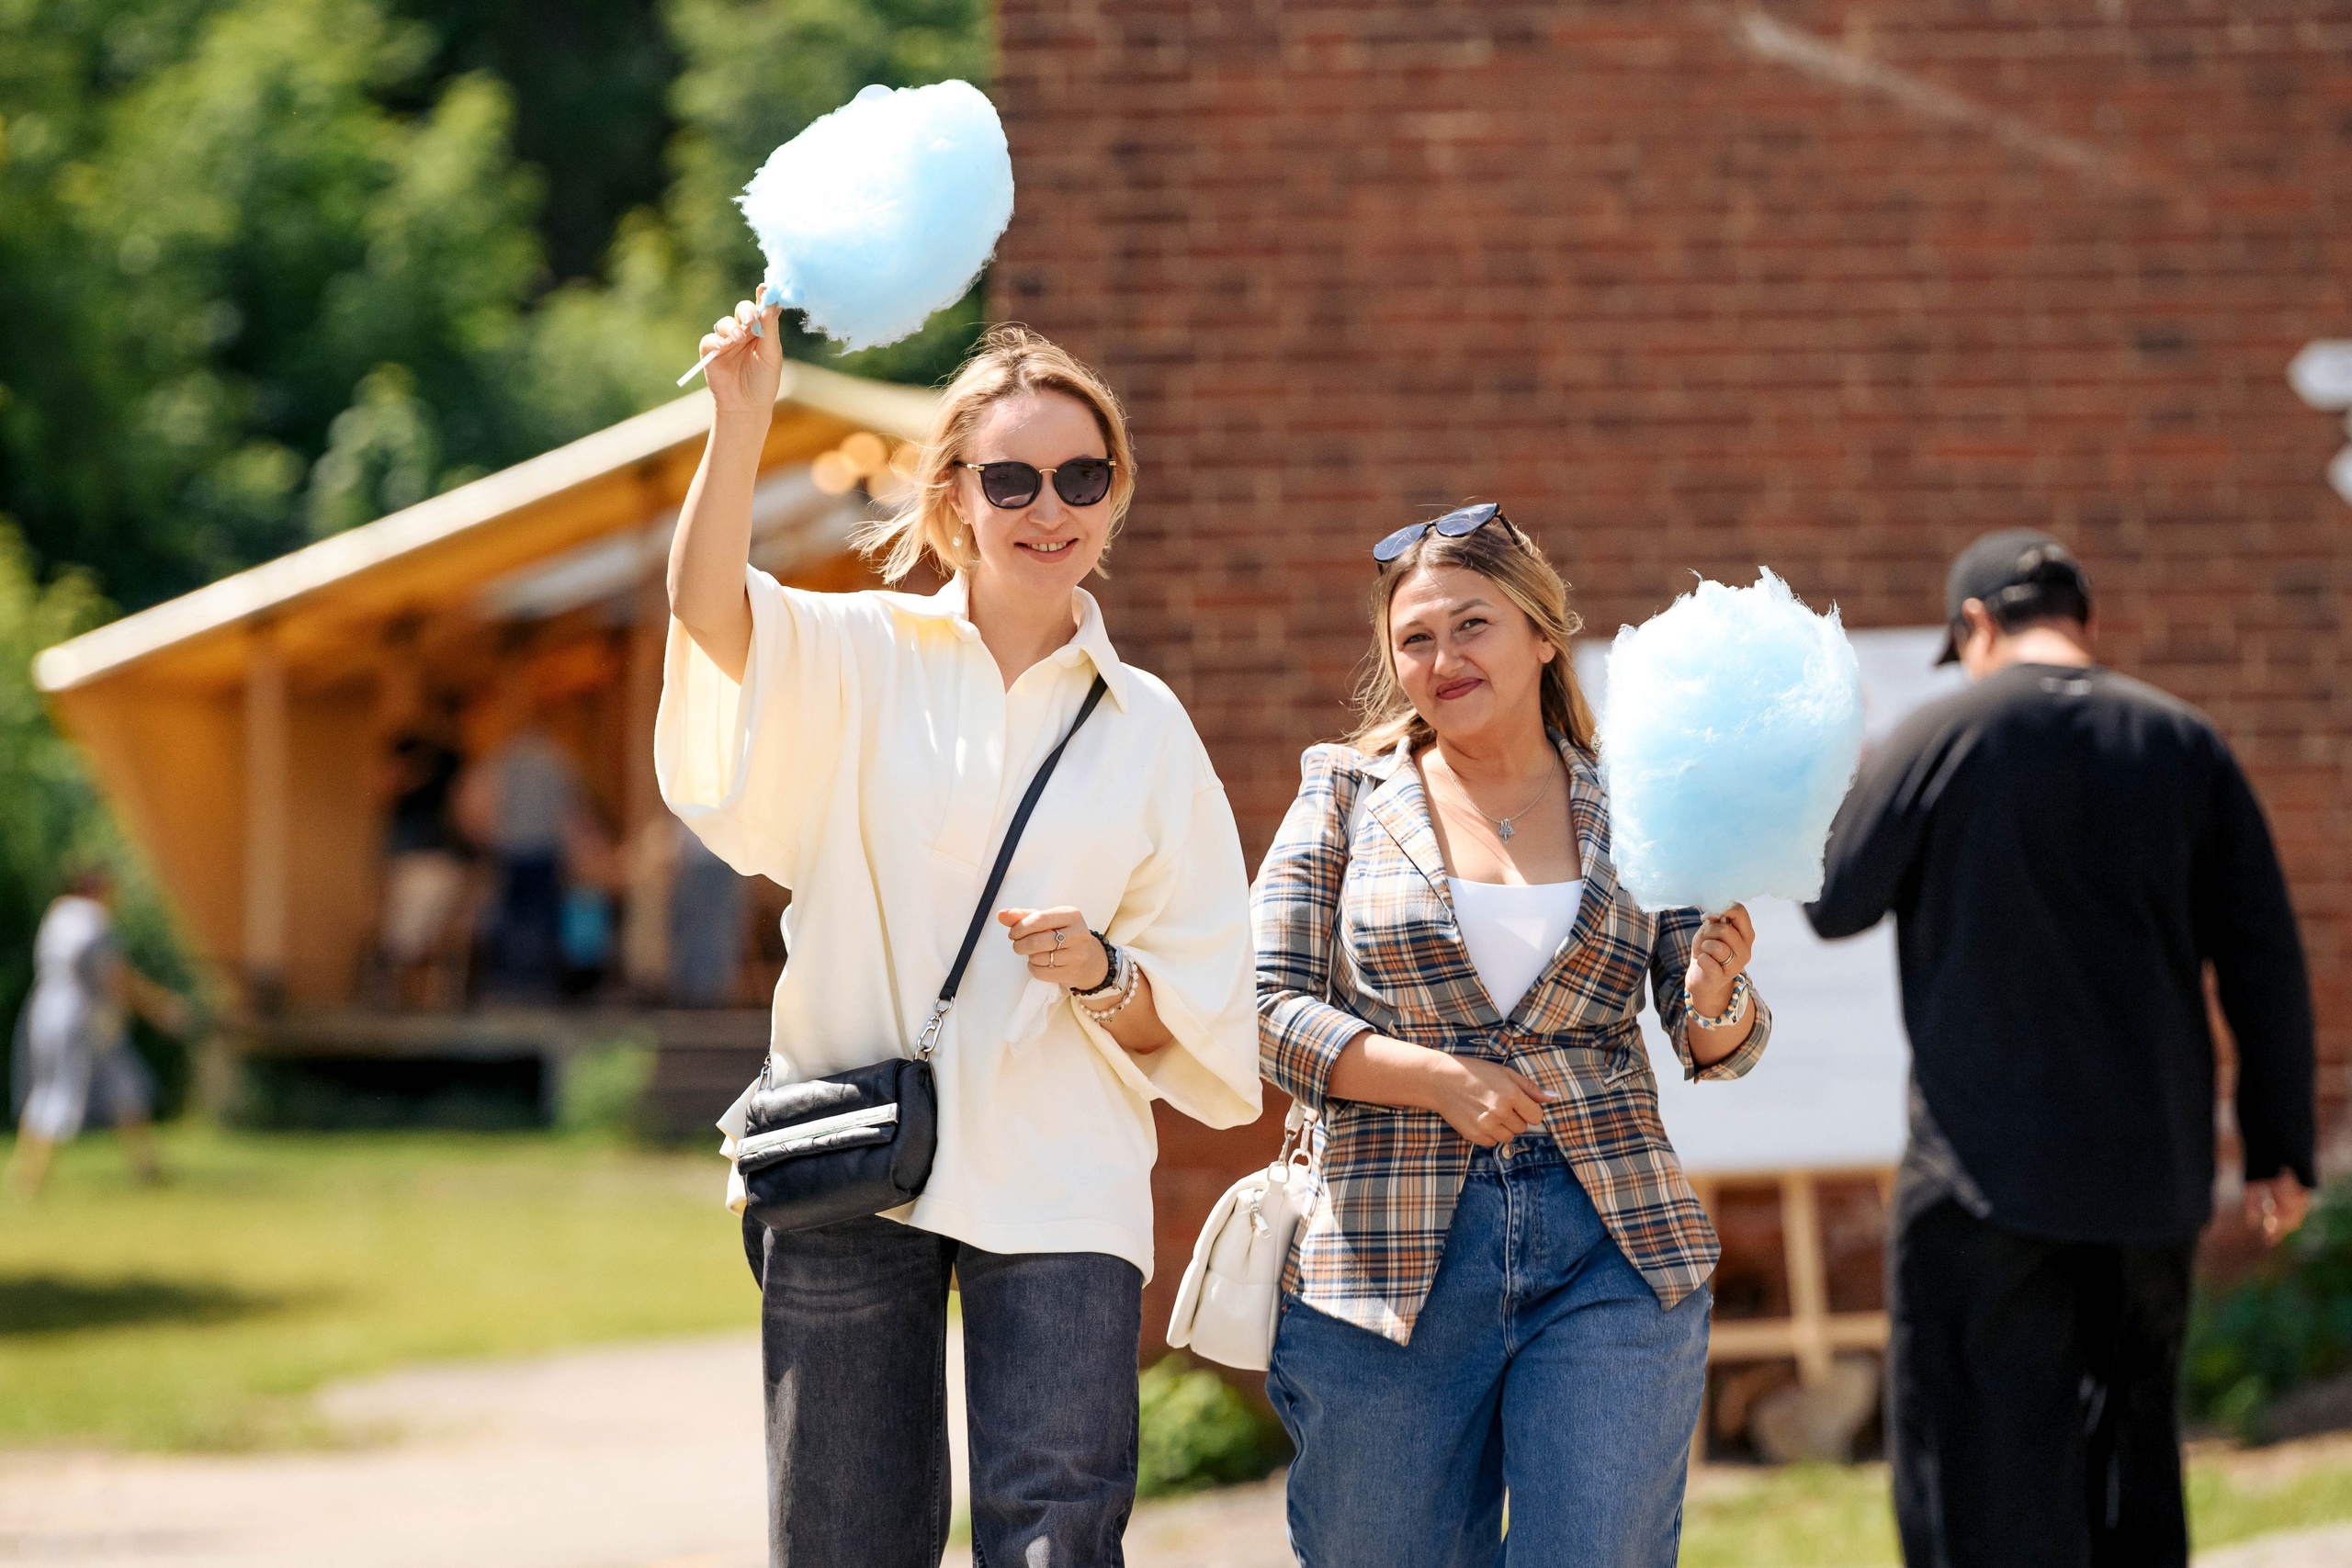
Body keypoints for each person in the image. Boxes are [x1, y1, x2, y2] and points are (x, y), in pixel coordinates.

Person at [662, 304, 1261, 1566]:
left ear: (1116, 496)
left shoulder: (1146, 726)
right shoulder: (864, 652)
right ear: (954, 496)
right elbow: (708, 608)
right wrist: (741, 422)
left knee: (1058, 1532)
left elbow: (1198, 1010)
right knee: (843, 1533)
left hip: (1061, 1170)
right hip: (848, 1150)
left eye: (1082, 476)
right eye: (1013, 477)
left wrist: (1103, 972)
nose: (1051, 507)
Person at [1254, 504, 1770, 1568]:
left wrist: (1717, 992)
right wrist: (1435, 1079)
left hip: (1609, 1240)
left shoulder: (1640, 803)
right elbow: (1264, 1010)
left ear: (1542, 632)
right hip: (1382, 1251)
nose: (1443, 657)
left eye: (1472, 625)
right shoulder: (1343, 795)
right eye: (1415, 638)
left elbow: (1707, 1033)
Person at [1804, 529, 2317, 1568]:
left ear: (1977, 626)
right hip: (2152, 1175)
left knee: (1974, 1459)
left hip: (1979, 1176)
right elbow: (2263, 957)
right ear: (2082, 621)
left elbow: (1836, 902)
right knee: (2128, 1449)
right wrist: (2278, 1148)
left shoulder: (1938, 735)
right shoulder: (2185, 743)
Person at [8, 867, 187, 1195]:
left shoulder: (58, 916)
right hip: (81, 1016)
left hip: (46, 1010)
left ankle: (148, 1168)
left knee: (122, 1084)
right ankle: (32, 1179)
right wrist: (160, 1008)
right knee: (62, 1092)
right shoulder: (90, 917)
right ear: (95, 889)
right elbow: (112, 974)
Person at [457, 686, 582, 998]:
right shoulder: (555, 759)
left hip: (511, 848)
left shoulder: (504, 757)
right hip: (542, 848)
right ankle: (538, 981)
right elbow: (569, 807)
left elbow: (472, 799)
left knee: (510, 915)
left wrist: (486, 836)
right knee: (540, 915)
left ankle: (510, 979)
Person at [375, 697, 468, 1004]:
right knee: (404, 937)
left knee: (428, 937)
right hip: (411, 856)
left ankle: (432, 999)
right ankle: (397, 997)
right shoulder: (407, 749)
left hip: (434, 857)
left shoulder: (450, 762)